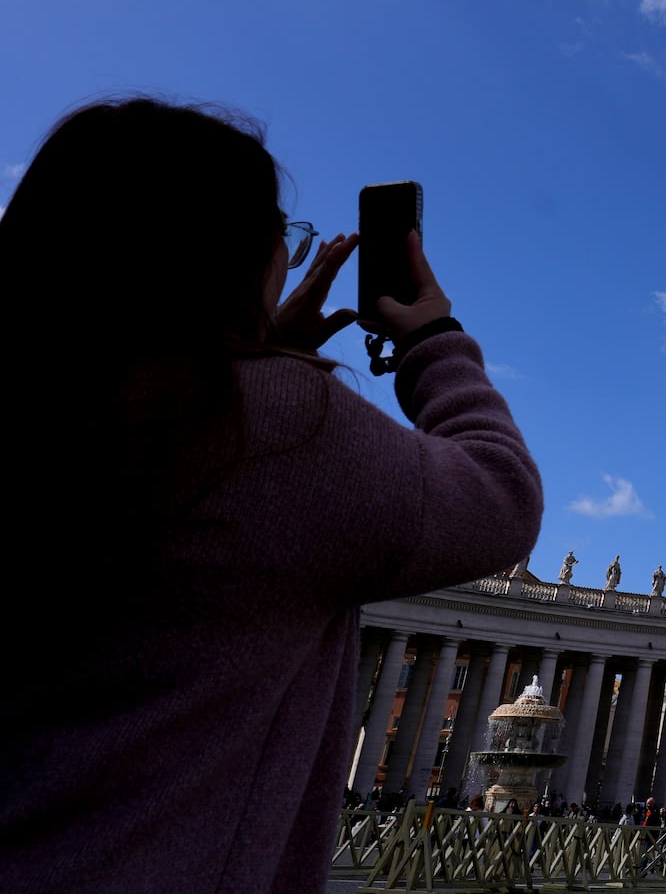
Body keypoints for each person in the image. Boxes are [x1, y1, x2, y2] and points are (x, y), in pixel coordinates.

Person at [0, 97, 544, 892]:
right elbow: (501, 498)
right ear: (235, 261)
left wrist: (251, 355)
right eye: (279, 242)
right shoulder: (282, 425)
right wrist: (432, 339)